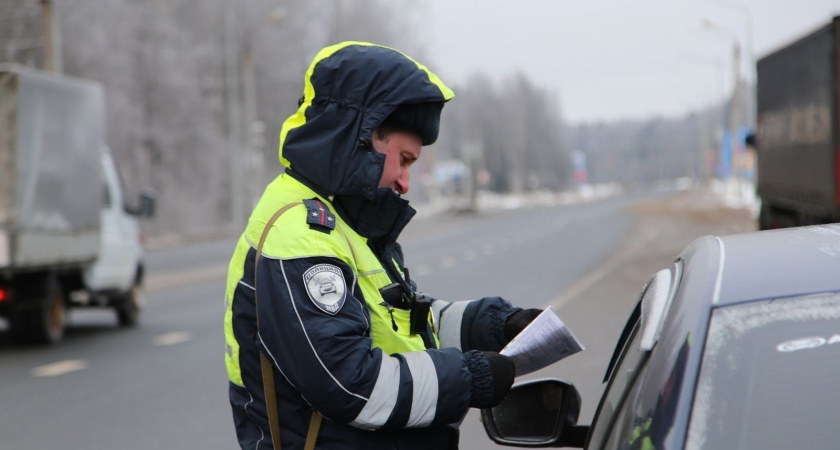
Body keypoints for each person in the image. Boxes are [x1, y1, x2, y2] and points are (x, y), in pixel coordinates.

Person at [223, 41, 541, 450]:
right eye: (405, 159)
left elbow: (394, 326)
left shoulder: (344, 220)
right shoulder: (299, 232)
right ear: (359, 139)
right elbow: (353, 384)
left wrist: (492, 325)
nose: (406, 182)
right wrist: (469, 377)